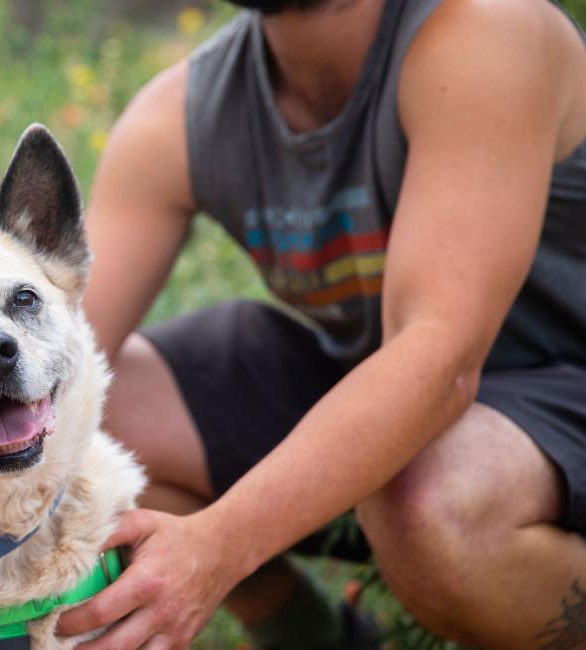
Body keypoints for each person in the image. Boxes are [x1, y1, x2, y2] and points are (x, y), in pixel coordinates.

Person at [54, 0, 586, 647]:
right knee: (84, 418)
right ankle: (314, 635)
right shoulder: (177, 117)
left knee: (432, 501)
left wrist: (218, 545)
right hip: (388, 394)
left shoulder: (486, 31)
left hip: (559, 391)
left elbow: (440, 361)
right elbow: (52, 362)